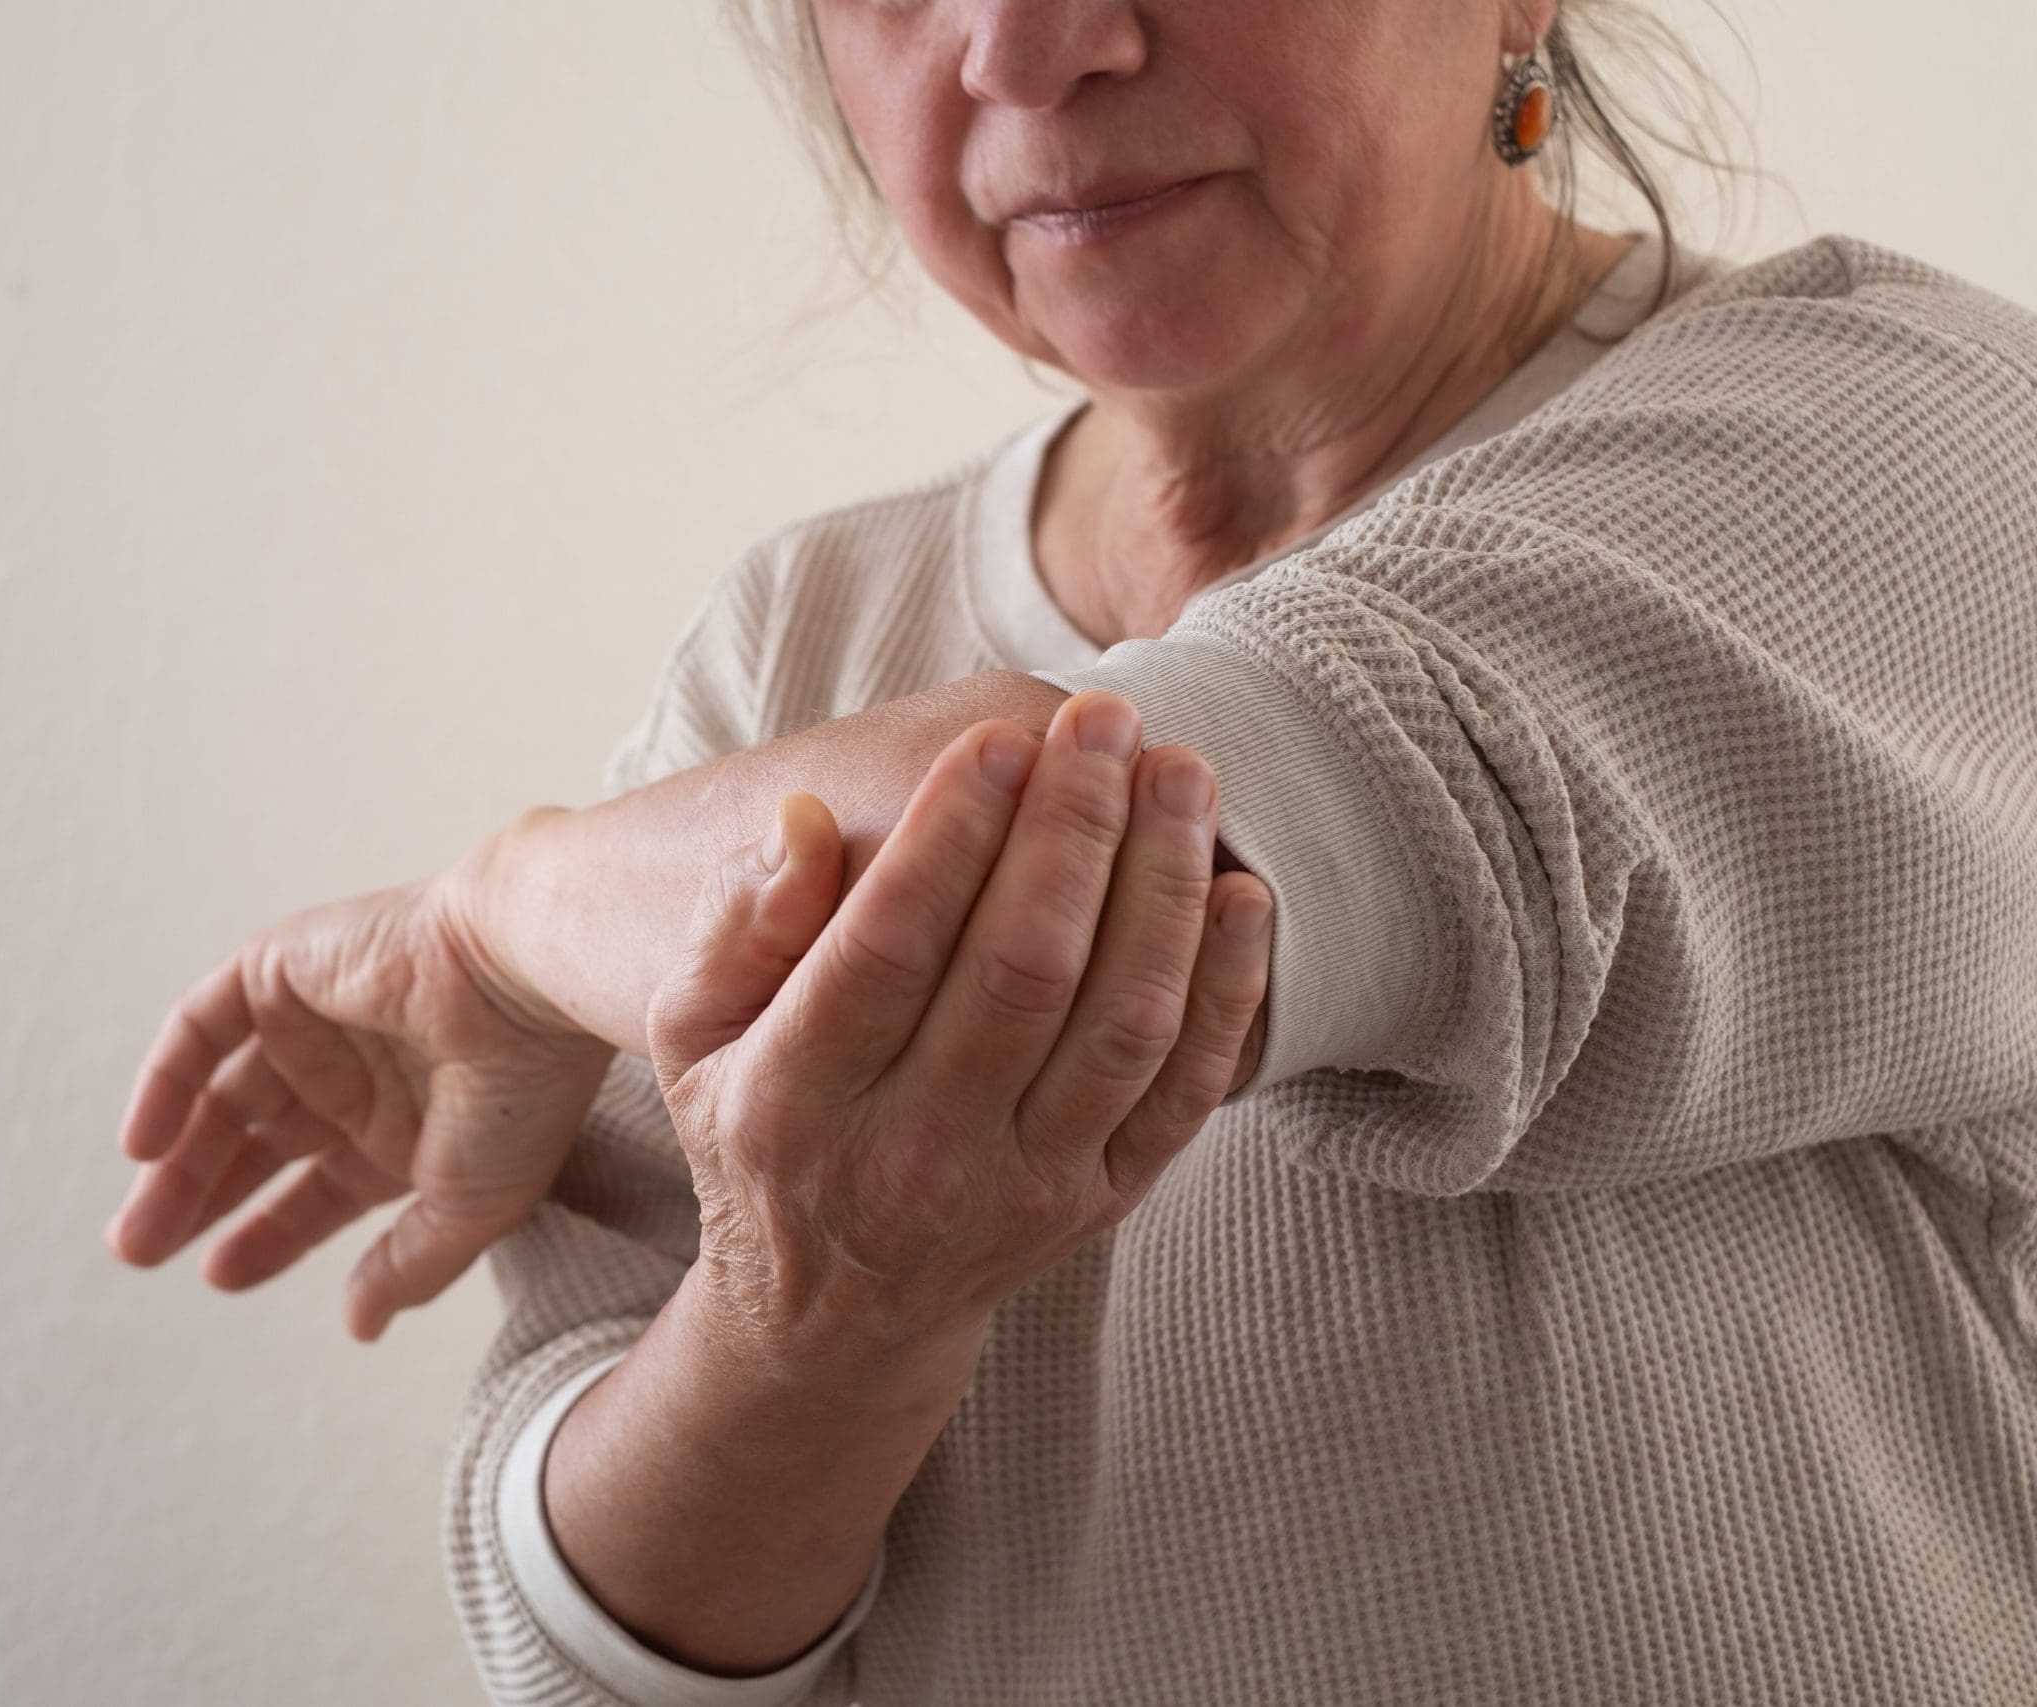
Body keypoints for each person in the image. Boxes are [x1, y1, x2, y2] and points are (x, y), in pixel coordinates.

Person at [106, 1, 2037, 1701]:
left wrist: (495, 913)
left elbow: (1119, 840)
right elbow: (595, 1648)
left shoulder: (1905, 441)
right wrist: (822, 1332)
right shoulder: (800, 636)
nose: (1024, 46)